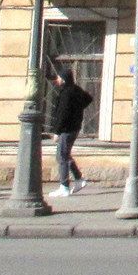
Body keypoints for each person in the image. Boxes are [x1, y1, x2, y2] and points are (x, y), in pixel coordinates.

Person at [48, 66, 94, 197]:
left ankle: (64, 187)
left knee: (61, 156)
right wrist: (78, 110)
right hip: (74, 127)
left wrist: (57, 132)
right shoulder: (75, 90)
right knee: (65, 155)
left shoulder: (66, 93)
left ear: (63, 79)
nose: (57, 80)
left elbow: (62, 114)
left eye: (58, 77)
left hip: (66, 129)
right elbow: (88, 98)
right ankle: (79, 179)